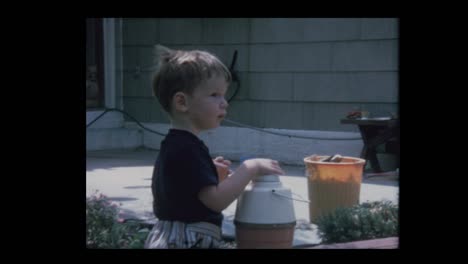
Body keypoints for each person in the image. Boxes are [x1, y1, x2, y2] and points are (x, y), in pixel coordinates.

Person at [144, 46, 285, 249]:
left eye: (223, 95)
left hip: (172, 236)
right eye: (214, 95)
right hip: (188, 239)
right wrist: (250, 167)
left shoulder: (176, 145)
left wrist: (212, 176)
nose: (224, 103)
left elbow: (189, 197)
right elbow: (216, 201)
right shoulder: (188, 148)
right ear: (182, 102)